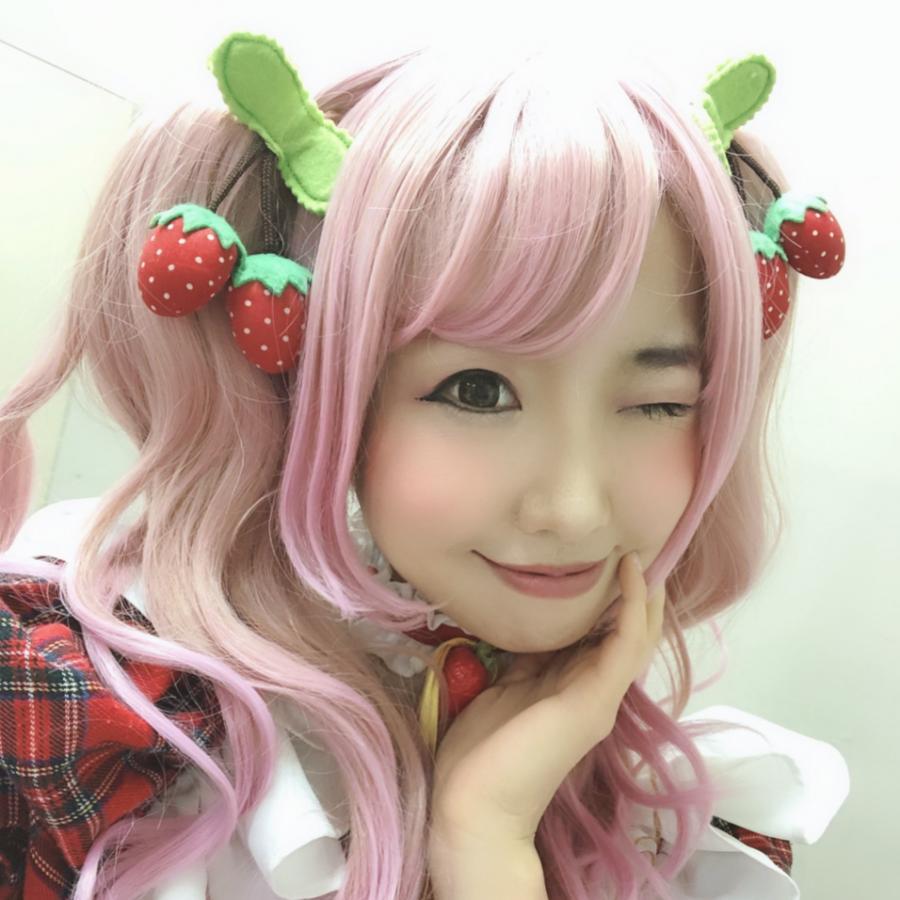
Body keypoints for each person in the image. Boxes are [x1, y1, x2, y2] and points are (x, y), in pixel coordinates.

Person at [0, 31, 849, 900]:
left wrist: (486, 845)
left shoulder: (680, 824)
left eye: (660, 403)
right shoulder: (95, 718)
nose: (575, 509)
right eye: (477, 391)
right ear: (323, 387)